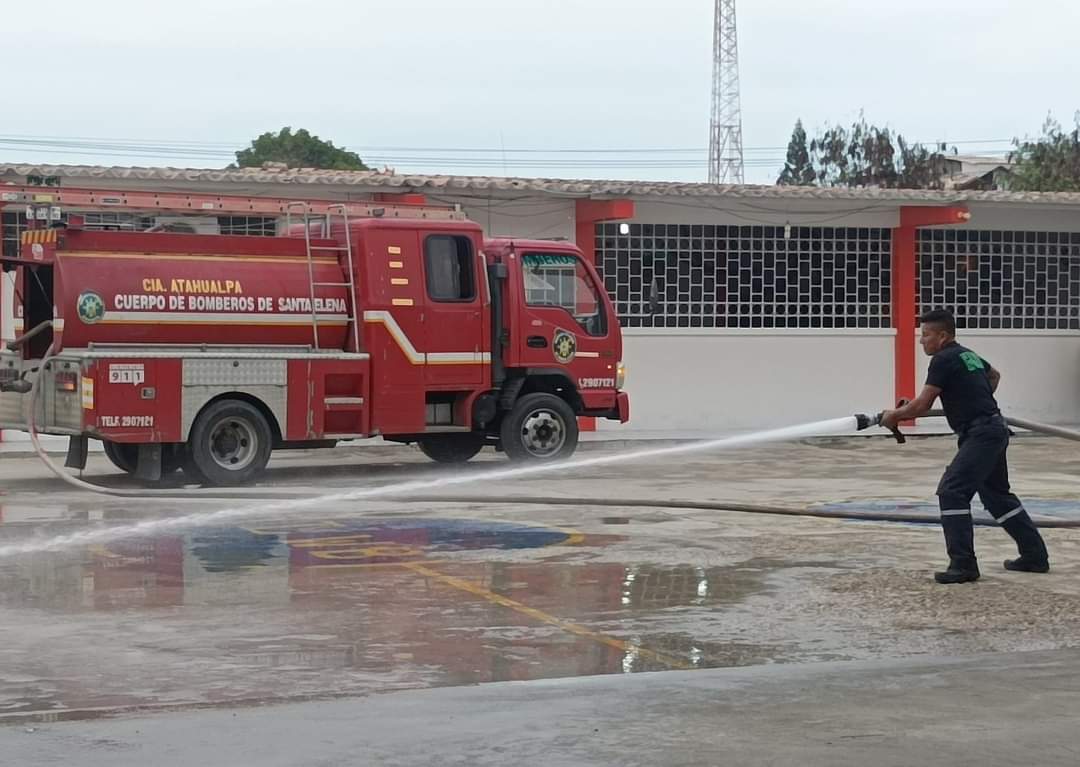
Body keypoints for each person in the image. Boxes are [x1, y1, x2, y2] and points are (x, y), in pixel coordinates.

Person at [881, 309, 1050, 584]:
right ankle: (1035, 556)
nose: (921, 341)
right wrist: (971, 396)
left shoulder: (942, 359)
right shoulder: (966, 354)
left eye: (926, 335)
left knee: (952, 492)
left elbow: (922, 405)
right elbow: (994, 376)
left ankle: (963, 564)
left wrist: (893, 415)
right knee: (997, 496)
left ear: (942, 336)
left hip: (981, 433)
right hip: (993, 428)